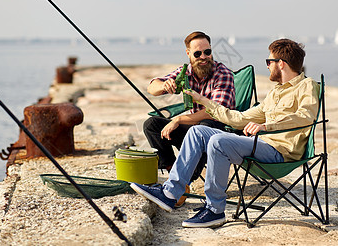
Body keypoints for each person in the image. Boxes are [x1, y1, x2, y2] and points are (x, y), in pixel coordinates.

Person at [131, 38, 320, 228]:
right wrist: (203, 100)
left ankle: (215, 210)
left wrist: (265, 127)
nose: (268, 66)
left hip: (280, 152)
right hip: (259, 145)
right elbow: (237, 119)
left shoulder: (307, 85)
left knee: (218, 141)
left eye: (269, 62)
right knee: (198, 131)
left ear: (281, 64)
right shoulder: (274, 94)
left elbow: (305, 117)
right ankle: (170, 193)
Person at [143, 31, 235, 190]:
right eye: (198, 53)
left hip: (218, 130)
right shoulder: (186, 72)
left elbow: (214, 112)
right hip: (194, 128)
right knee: (151, 124)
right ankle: (175, 175)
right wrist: (164, 85)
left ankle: (182, 182)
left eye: (208, 52)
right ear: (188, 53)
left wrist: (177, 120)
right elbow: (152, 87)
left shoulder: (223, 74)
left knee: (202, 127)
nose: (204, 57)